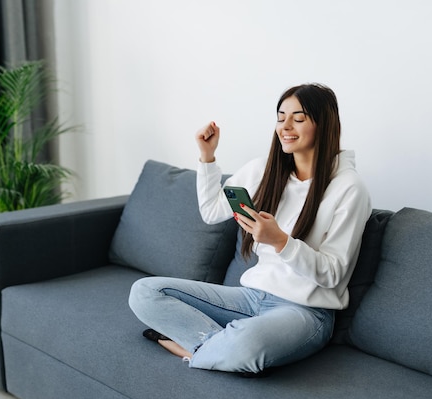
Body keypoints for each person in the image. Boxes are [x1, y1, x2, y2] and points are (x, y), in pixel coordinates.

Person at [128, 83, 372, 375]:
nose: (286, 126)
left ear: (324, 123)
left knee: (249, 345)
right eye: (281, 117)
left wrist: (281, 241)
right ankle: (218, 348)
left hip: (304, 312)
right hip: (250, 297)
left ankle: (191, 348)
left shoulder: (349, 188)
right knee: (145, 292)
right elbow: (211, 212)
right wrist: (207, 157)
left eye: (299, 117)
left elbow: (332, 274)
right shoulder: (263, 170)